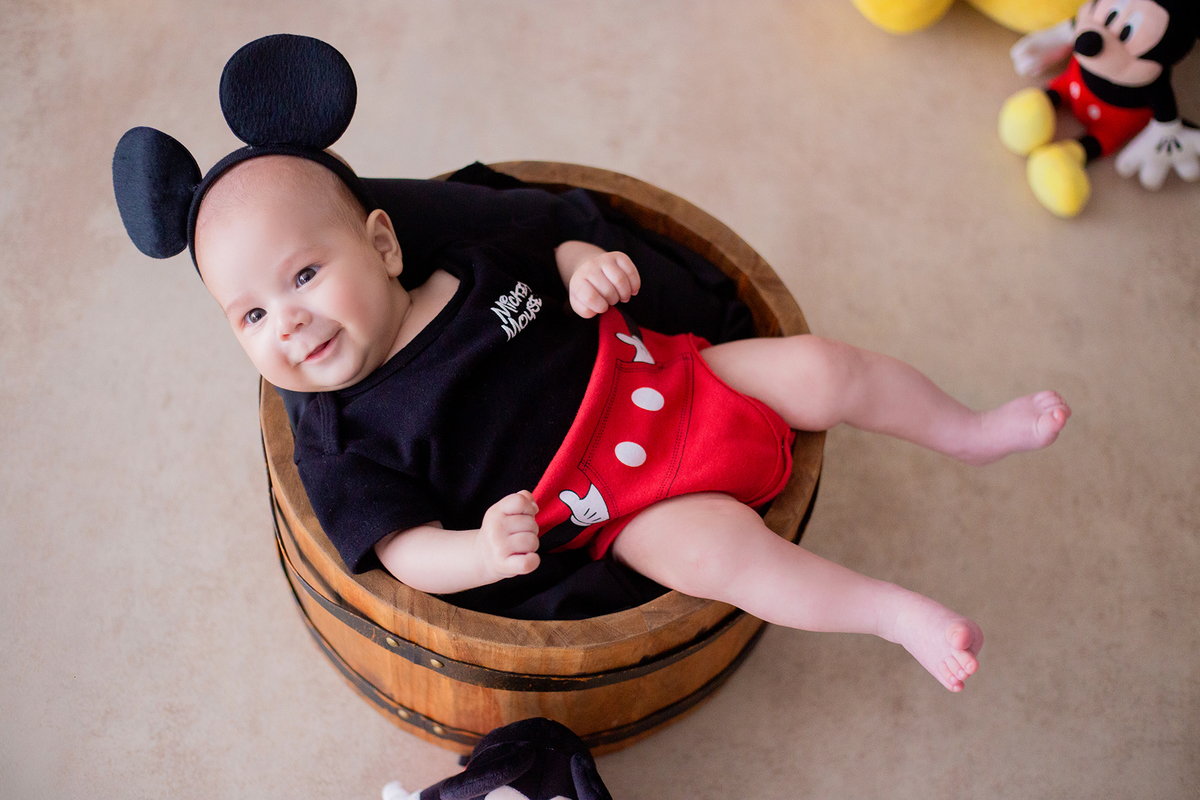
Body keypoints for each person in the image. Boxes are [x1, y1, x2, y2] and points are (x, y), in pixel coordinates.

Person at [192, 153, 1070, 693]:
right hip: (616, 504)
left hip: (669, 373)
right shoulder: (344, 435)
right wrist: (478, 554)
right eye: (252, 317)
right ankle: (893, 616)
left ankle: (969, 431)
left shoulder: (464, 270)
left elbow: (552, 248)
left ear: (383, 246)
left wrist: (586, 271)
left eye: (304, 276)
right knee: (727, 559)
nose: (289, 321)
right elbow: (399, 550)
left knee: (823, 365)